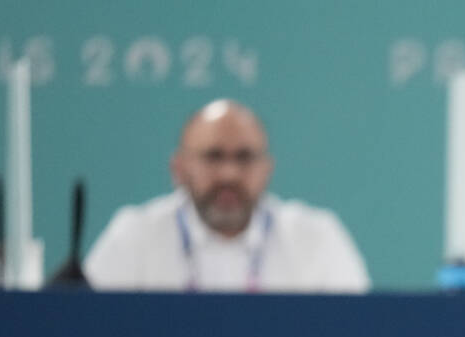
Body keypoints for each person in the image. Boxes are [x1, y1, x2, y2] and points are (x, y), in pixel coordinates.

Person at [84, 99, 369, 293]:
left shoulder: (317, 238)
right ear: (178, 169)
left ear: (266, 169)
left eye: (244, 158)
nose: (229, 175)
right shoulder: (135, 235)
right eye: (213, 157)